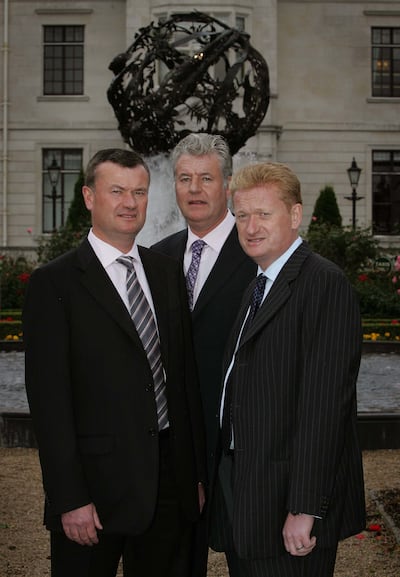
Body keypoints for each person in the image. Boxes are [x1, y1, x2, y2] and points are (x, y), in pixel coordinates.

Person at [23, 148, 206, 577]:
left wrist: (193, 475)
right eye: (117, 191)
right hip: (93, 489)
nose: (130, 203)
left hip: (167, 484)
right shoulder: (55, 283)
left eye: (139, 192)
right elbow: (49, 403)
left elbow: (182, 380)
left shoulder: (165, 273)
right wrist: (69, 498)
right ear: (89, 196)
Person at [210, 161, 366, 577]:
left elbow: (325, 408)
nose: (251, 226)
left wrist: (305, 507)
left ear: (295, 215)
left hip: (288, 506)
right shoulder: (258, 283)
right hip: (247, 496)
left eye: (264, 213)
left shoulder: (322, 284)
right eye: (242, 215)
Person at [152, 133, 256, 576]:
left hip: (243, 450)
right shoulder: (158, 257)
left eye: (206, 178)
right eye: (184, 179)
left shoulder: (257, 253)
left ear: (227, 185)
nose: (194, 189)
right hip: (177, 452)